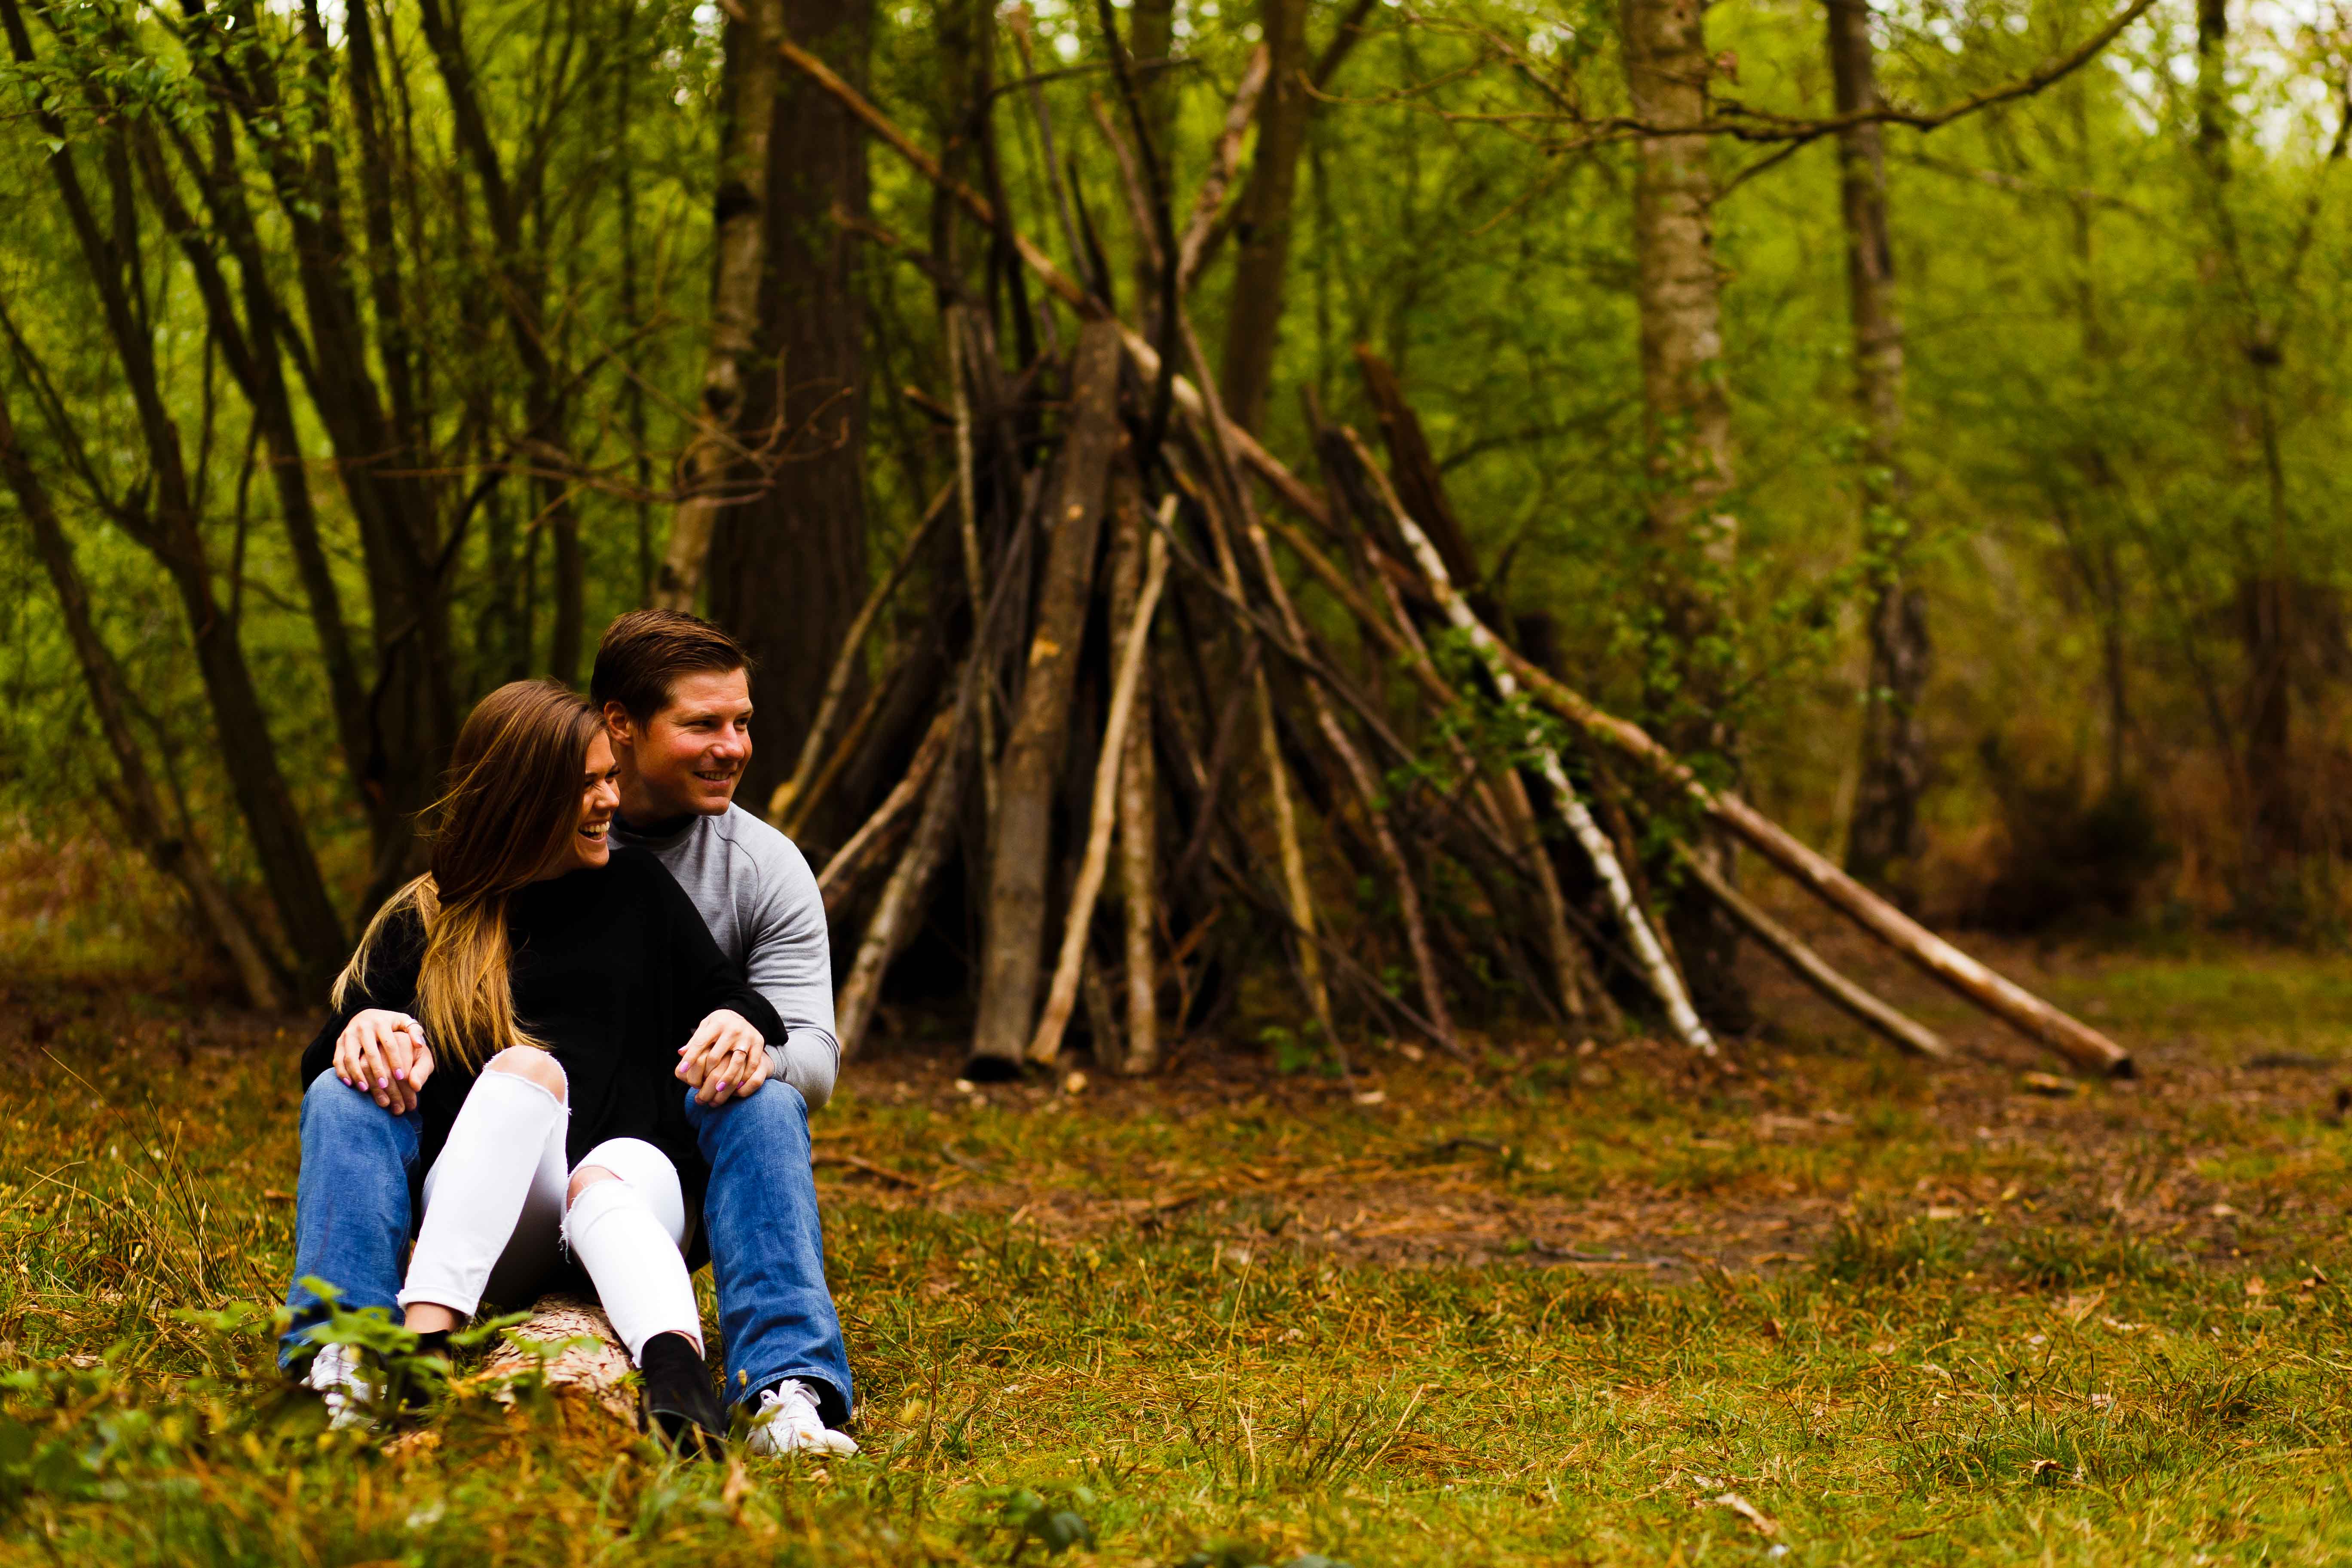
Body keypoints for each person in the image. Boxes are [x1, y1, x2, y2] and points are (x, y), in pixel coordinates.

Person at [285, 612, 857, 1458]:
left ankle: (775, 1389)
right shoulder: (434, 912)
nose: (732, 745)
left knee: (663, 1148)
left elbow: (763, 1014)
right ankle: (352, 1360)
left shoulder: (671, 886)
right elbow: (325, 1051)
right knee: (379, 1089)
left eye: (742, 723)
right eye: (704, 724)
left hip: (645, 1184)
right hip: (493, 1215)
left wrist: (743, 1034)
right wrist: (361, 1028)